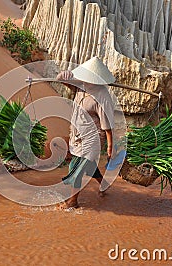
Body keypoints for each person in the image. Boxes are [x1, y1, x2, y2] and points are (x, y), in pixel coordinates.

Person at [56, 57, 116, 209]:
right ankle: (103, 184)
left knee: (76, 169)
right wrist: (64, 75)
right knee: (88, 166)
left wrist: (110, 148)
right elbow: (61, 80)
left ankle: (72, 201)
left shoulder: (103, 97)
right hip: (76, 136)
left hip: (92, 139)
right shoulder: (81, 87)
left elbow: (107, 125)